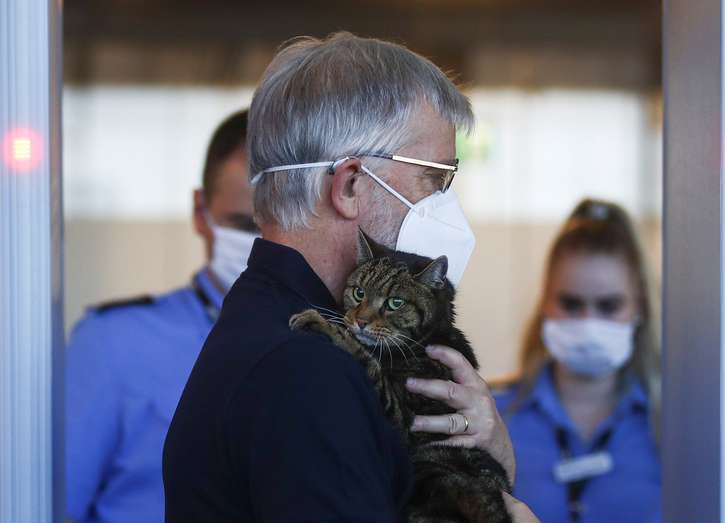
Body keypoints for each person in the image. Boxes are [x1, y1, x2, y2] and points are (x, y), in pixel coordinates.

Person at [163, 33, 538, 523]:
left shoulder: (277, 326)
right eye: (435, 178)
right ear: (352, 186)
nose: (444, 204)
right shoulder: (307, 366)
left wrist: (488, 463)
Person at [66, 109, 259, 523]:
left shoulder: (336, 345)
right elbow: (47, 507)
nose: (262, 247)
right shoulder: (113, 345)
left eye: (275, 227)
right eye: (243, 226)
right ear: (199, 211)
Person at [495, 198, 661, 523]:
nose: (588, 322)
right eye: (571, 304)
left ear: (639, 307)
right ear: (545, 303)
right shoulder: (493, 417)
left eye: (609, 305)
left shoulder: (674, 423)